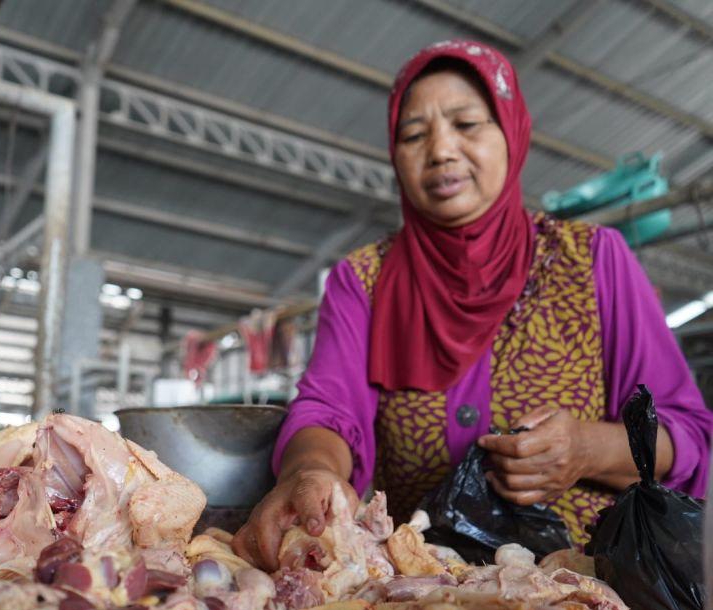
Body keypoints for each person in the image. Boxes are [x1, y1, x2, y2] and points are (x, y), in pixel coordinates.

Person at [232, 40, 713, 571]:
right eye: (413, 134)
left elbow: (688, 436)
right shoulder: (362, 281)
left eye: (467, 125)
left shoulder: (595, 260)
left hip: (593, 589)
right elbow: (329, 411)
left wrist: (587, 449)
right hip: (419, 594)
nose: (440, 151)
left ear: (512, 132)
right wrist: (310, 473)